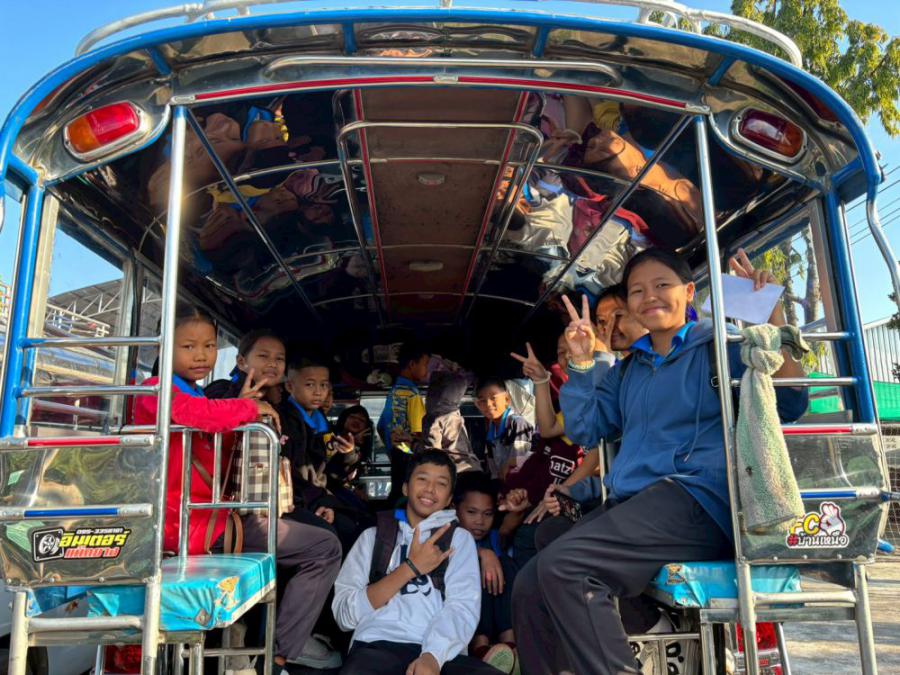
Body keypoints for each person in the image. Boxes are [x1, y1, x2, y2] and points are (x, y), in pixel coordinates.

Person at [512, 248, 809, 675]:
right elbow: (586, 429)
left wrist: (771, 315)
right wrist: (581, 362)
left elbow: (791, 403)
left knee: (566, 566)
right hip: (638, 506)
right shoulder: (628, 370)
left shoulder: (720, 344)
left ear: (688, 292)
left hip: (697, 499)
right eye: (637, 290)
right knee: (529, 583)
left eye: (661, 285)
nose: (649, 296)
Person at [133, 307, 342, 671]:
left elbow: (219, 451)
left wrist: (241, 410)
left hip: (210, 519)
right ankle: (278, 655)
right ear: (162, 347)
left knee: (325, 540)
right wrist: (245, 409)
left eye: (209, 346)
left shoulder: (198, 395)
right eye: (188, 346)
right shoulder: (156, 391)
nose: (201, 355)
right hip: (186, 527)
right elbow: (198, 417)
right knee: (324, 547)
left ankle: (275, 650)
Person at [332, 450, 499, 675]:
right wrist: (410, 568)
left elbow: (462, 607)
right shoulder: (374, 537)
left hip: (442, 654)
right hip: (376, 645)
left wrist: (432, 657)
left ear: (449, 499)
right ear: (405, 487)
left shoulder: (459, 539)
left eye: (441, 484)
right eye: (422, 479)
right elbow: (344, 616)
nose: (430, 489)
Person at [280, 355, 370, 553]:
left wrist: (348, 454)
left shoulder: (321, 423)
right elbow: (293, 474)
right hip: (296, 500)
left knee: (364, 522)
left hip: (319, 494)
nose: (318, 392)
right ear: (289, 386)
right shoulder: (285, 421)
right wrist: (322, 502)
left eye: (324, 385)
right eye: (310, 385)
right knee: (344, 532)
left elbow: (332, 472)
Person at [454, 473, 520, 674]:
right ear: (455, 509)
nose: (480, 521)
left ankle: (510, 645)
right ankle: (480, 647)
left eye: (488, 514)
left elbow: (510, 524)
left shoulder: (493, 538)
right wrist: (482, 553)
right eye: (471, 512)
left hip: (499, 622)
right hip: (470, 626)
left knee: (505, 563)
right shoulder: (448, 534)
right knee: (473, 565)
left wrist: (518, 506)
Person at [378, 343, 430, 505]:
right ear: (412, 364)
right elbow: (418, 432)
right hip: (409, 455)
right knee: (408, 498)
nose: (426, 370)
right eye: (425, 365)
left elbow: (381, 426)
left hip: (396, 453)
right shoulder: (413, 394)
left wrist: (391, 448)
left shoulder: (393, 391)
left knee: (396, 493)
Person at [474, 378, 534, 481]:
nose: (488, 404)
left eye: (493, 398)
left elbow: (517, 467)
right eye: (482, 401)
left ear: (507, 400)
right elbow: (494, 472)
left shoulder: (518, 424)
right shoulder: (491, 431)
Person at [423, 371, 481, 473]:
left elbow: (432, 453)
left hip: (456, 471)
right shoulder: (455, 415)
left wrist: (413, 445)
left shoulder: (434, 418)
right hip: (472, 466)